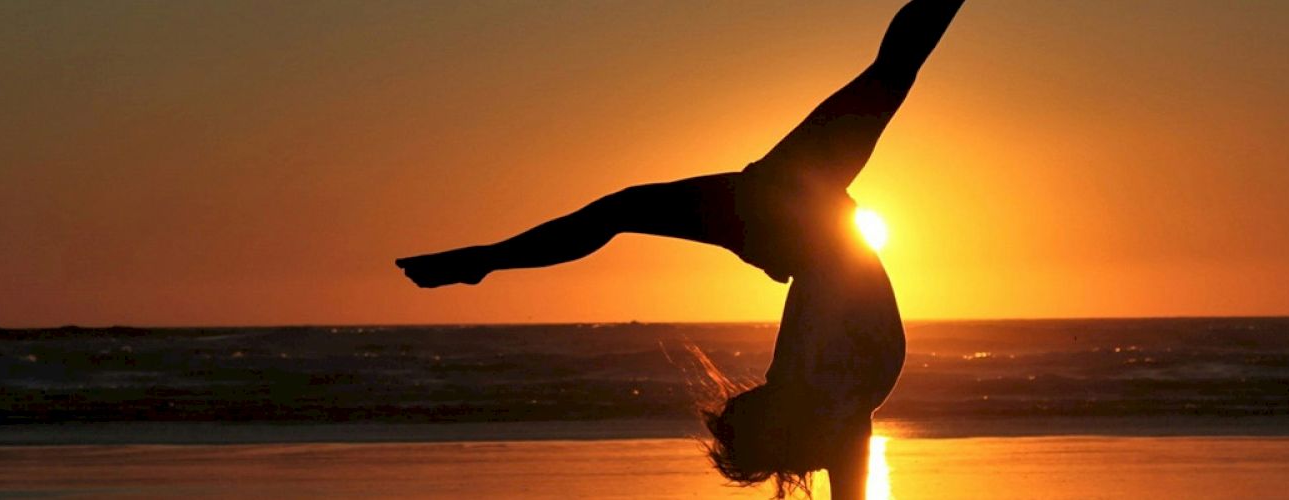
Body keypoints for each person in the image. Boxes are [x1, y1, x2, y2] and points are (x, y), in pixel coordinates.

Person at [396, 1, 962, 497]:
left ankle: (484, 262)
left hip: (785, 222)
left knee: (620, 210)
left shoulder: (830, 410)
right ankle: (483, 262)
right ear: (778, 427)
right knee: (892, 72)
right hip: (785, 208)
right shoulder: (833, 409)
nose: (741, 395)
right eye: (745, 408)